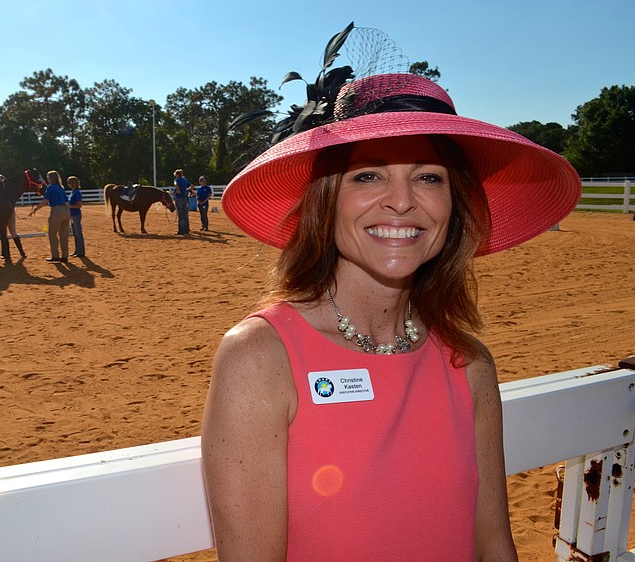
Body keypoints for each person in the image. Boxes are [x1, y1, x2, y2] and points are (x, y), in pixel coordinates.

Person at [200, 25, 581, 561]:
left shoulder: (468, 363)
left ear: (456, 205)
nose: (402, 202)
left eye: (428, 177)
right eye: (368, 176)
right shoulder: (260, 359)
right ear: (325, 200)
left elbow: (495, 545)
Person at [29, 170, 70, 263]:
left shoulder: (51, 187)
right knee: (64, 235)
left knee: (52, 233)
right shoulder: (61, 187)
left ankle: (55, 255)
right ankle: (64, 256)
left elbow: (45, 201)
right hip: (66, 210)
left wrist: (35, 209)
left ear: (51, 178)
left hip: (57, 210)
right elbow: (67, 201)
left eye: (48, 177)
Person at [0, 173, 26, 258]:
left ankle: (22, 252)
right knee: (2, 233)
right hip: (1, 215)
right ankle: (5, 253)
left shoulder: (8, 190)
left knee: (13, 233)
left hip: (10, 213)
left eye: (0, 180)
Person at [66, 175, 85, 257]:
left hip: (76, 214)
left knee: (78, 233)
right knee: (75, 233)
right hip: (73, 214)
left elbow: (79, 204)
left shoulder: (77, 192)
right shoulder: (73, 192)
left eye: (69, 183)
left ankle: (81, 251)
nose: (68, 184)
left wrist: (70, 206)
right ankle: (77, 250)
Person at [172, 169, 193, 235]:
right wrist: (186, 190)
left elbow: (175, 184)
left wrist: (178, 190)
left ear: (177, 174)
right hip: (185, 198)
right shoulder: (185, 180)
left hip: (179, 198)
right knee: (185, 215)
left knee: (181, 216)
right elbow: (192, 186)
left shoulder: (176, 180)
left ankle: (181, 230)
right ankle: (186, 229)